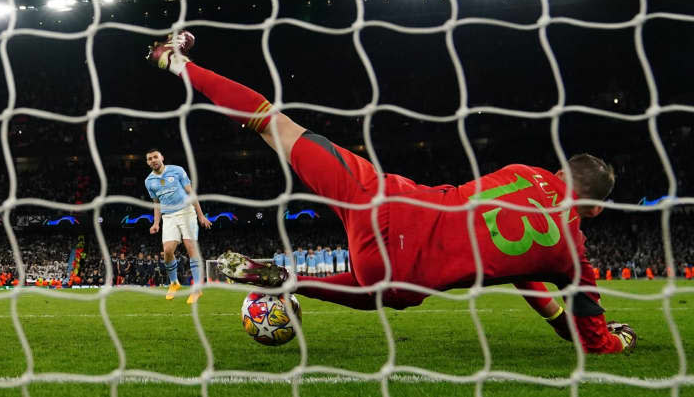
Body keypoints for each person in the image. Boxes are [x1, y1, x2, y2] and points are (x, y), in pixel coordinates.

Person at [147, 31, 636, 354]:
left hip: (383, 197)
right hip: (396, 270)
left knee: (273, 124)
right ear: (594, 206)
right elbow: (584, 328)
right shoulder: (570, 254)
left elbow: (522, 264)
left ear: (558, 171)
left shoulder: (522, 171)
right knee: (379, 291)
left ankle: (177, 64)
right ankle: (294, 282)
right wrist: (616, 340)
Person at [145, 148, 212, 303]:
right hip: (168, 217)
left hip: (186, 212)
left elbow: (191, 193)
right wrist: (156, 223)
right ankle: (174, 283)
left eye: (155, 157)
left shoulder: (177, 170)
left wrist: (201, 215)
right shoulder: (149, 181)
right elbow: (156, 204)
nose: (153, 160)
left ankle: (197, 289)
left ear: (161, 157)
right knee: (167, 251)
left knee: (190, 247)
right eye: (149, 159)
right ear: (147, 162)